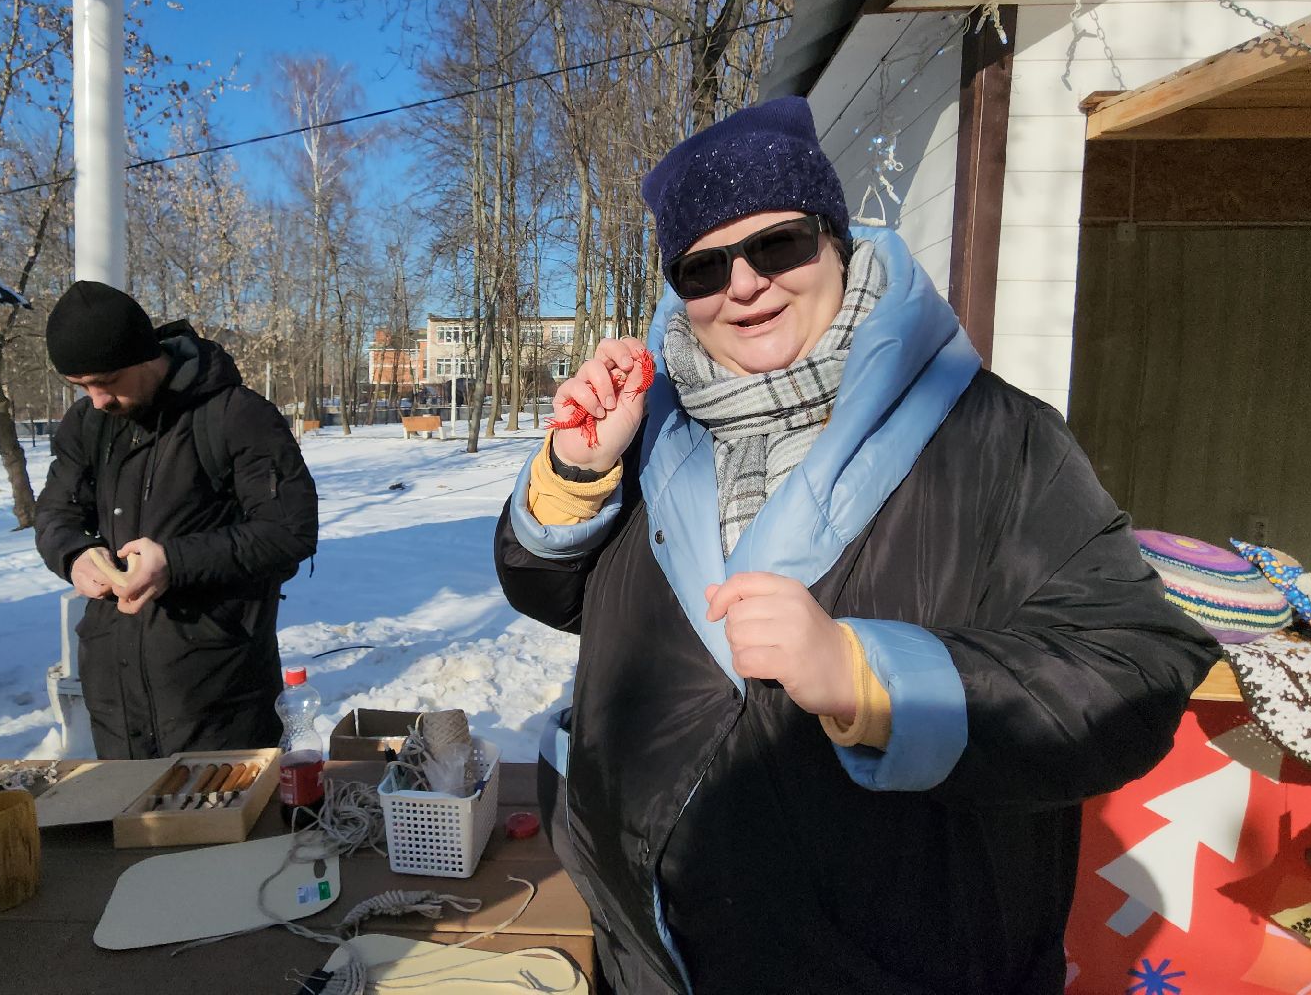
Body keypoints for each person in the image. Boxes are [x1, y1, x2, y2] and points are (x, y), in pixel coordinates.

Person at [495, 97, 1218, 994]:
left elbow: (1133, 669)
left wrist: (871, 676)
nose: (747, 285)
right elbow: (553, 593)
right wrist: (576, 470)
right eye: (704, 268)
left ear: (835, 239)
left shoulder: (992, 436)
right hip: (651, 960)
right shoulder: (652, 429)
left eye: (780, 245)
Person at [35, 281, 318, 759]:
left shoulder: (235, 416)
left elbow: (289, 529)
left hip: (219, 694)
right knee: (132, 827)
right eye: (81, 386)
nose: (97, 398)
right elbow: (55, 512)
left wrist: (175, 562)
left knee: (221, 830)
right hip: (114, 694)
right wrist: (74, 554)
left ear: (145, 356)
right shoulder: (86, 426)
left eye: (106, 381)